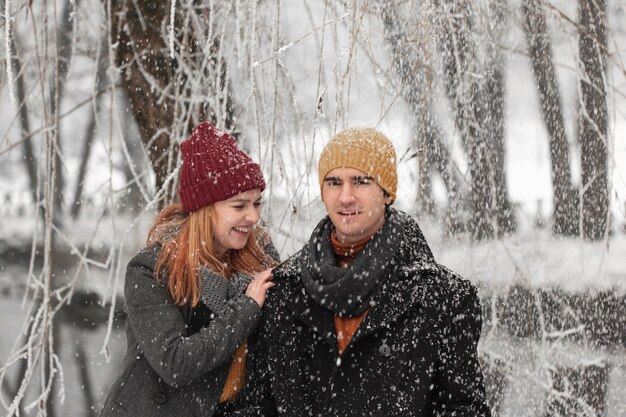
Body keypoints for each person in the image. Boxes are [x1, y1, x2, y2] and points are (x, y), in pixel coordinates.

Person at [235, 128, 491, 417]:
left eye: (360, 181)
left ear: (386, 192)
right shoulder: (282, 291)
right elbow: (256, 404)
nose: (346, 196)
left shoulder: (444, 298)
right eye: (334, 182)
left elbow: (463, 410)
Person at [99, 122, 279, 417]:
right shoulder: (151, 270)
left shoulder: (260, 256)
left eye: (257, 203)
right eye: (239, 206)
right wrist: (246, 309)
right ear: (205, 209)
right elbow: (176, 363)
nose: (253, 216)